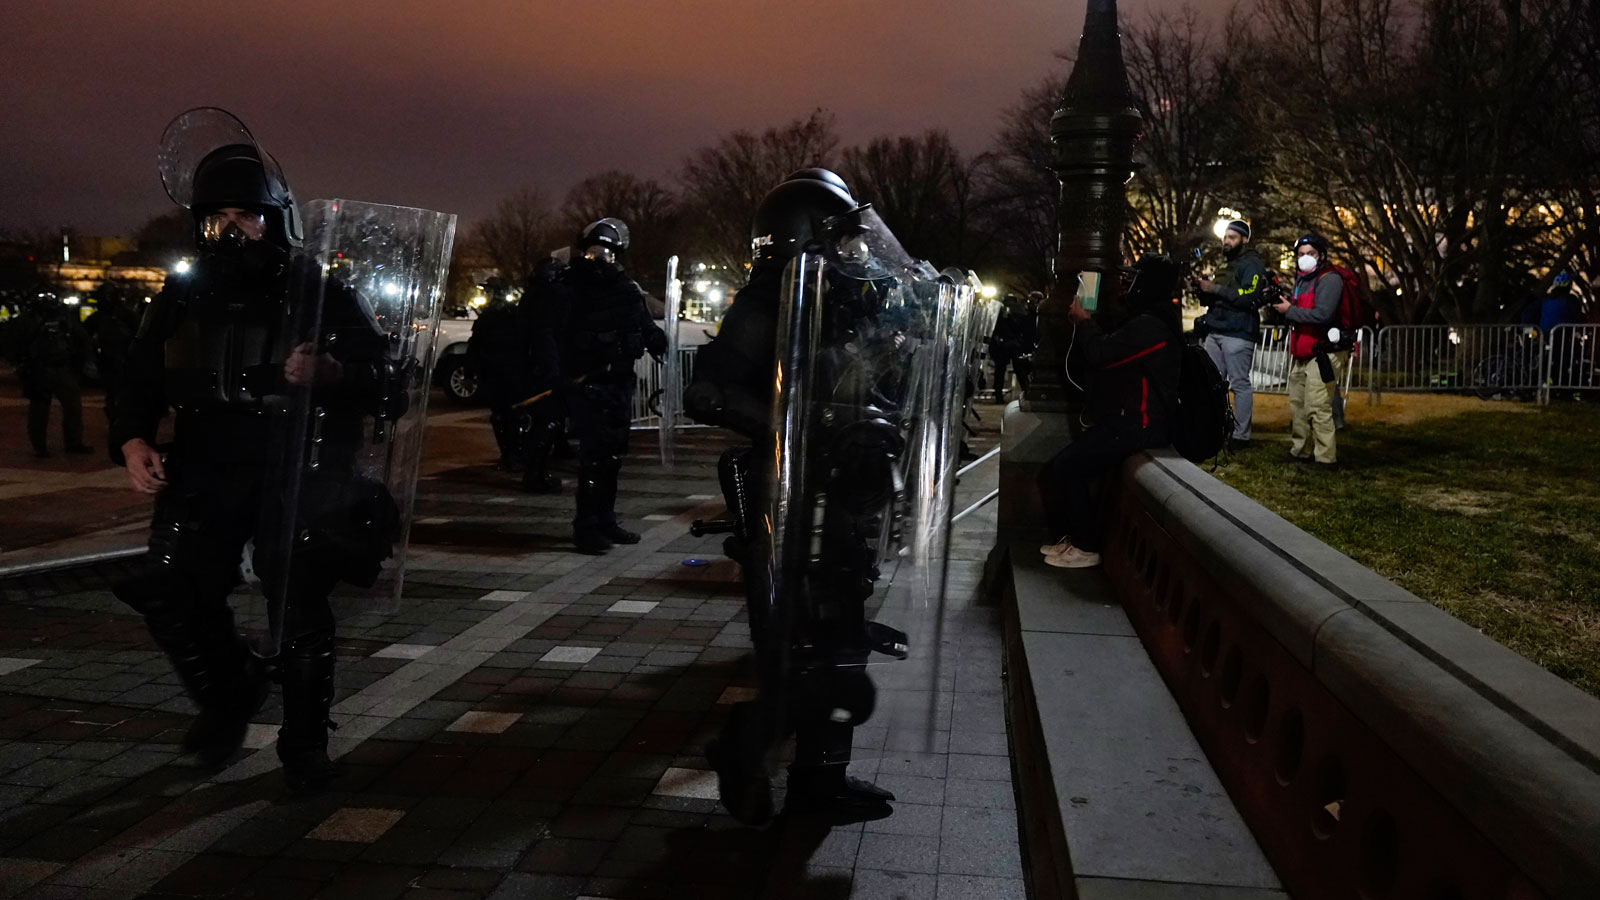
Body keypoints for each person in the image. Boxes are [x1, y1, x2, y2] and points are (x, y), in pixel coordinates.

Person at [112, 109, 412, 791]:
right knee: (172, 588)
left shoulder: (320, 292)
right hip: (206, 465)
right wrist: (131, 438)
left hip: (297, 466)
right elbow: (138, 379)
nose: (232, 229)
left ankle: (304, 744)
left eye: (246, 215)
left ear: (275, 219)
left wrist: (333, 373)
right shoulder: (181, 294)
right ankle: (229, 694)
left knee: (298, 603)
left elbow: (389, 387)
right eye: (217, 217)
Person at [687, 171, 910, 825]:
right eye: (841, 240)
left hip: (832, 491)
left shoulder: (826, 300)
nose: (854, 252)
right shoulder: (765, 303)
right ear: (803, 240)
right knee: (811, 650)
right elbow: (708, 393)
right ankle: (747, 746)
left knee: (840, 639)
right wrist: (798, 431)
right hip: (790, 497)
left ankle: (821, 782)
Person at [1040, 255, 1183, 569]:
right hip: (1130, 419)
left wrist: (1084, 322)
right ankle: (1077, 537)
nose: (1125, 285)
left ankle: (1086, 546)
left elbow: (1102, 354)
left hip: (1143, 423)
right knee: (1067, 465)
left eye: (1132, 279)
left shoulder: (1152, 326)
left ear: (1147, 284)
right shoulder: (1148, 318)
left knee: (1068, 466)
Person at [542, 218, 667, 554]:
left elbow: (642, 324)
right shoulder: (569, 288)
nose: (599, 259)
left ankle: (606, 520)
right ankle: (586, 527)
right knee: (594, 458)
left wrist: (656, 339)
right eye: (593, 252)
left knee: (612, 456)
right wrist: (556, 375)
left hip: (619, 384)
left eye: (607, 254)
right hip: (586, 382)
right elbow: (549, 334)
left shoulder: (626, 288)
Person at [469, 276, 560, 491]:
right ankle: (511, 454)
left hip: (509, 372)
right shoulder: (495, 316)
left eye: (490, 291)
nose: (487, 295)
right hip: (499, 372)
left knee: (511, 414)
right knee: (503, 415)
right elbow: (476, 345)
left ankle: (514, 454)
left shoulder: (511, 315)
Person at [1272, 233, 1347, 467]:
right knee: (1298, 405)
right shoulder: (1302, 280)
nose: (1305, 258)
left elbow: (1323, 314)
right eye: (1301, 254)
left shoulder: (1330, 279)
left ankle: (1325, 458)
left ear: (1321, 255)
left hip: (1325, 350)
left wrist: (1289, 310)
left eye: (1311, 253)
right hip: (1303, 350)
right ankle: (1301, 450)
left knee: (1317, 405)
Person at [1195, 219, 1265, 452]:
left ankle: (1241, 436)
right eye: (1225, 237)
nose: (1226, 241)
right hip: (1216, 329)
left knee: (1239, 384)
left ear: (1244, 239)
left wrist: (1215, 288)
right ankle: (1215, 429)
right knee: (1212, 384)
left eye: (1232, 237)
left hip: (1238, 332)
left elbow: (1248, 295)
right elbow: (1220, 297)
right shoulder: (1226, 265)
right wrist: (1202, 290)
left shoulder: (1252, 263)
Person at [11, 293, 93, 458]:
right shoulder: (28, 320)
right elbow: (14, 342)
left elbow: (81, 338)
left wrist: (79, 361)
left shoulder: (63, 318)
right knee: (40, 410)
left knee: (72, 407)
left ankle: (73, 442)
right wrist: (21, 363)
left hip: (61, 367)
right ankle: (40, 446)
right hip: (39, 369)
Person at [84, 293, 142, 426]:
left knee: (120, 392)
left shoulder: (121, 315)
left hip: (121, 358)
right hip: (112, 359)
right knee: (116, 392)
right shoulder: (106, 316)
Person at [987, 292, 1038, 402]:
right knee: (1019, 370)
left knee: (1001, 371)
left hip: (1003, 343)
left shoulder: (1001, 312)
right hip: (1016, 343)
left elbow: (995, 327)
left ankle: (999, 395)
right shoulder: (1021, 311)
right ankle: (1026, 393)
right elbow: (1025, 327)